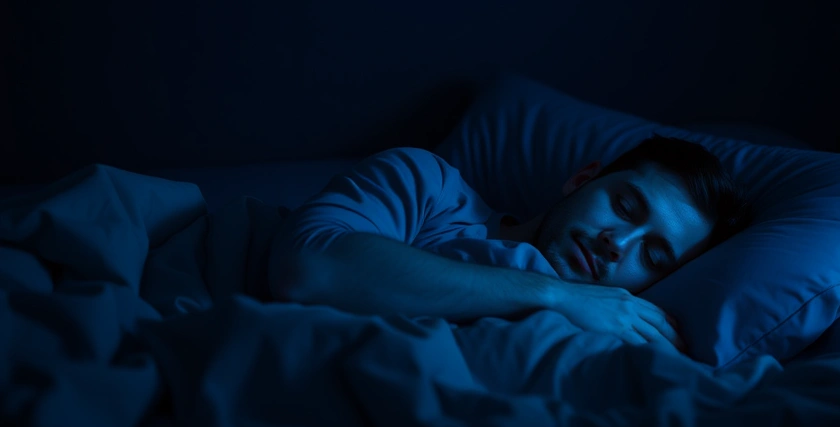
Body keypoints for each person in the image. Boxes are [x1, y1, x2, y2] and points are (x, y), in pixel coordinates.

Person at [267, 135, 751, 351]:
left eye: (653, 255)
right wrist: (555, 294)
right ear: (583, 178)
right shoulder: (428, 184)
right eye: (624, 207)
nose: (617, 243)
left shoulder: (615, 330)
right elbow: (310, 266)